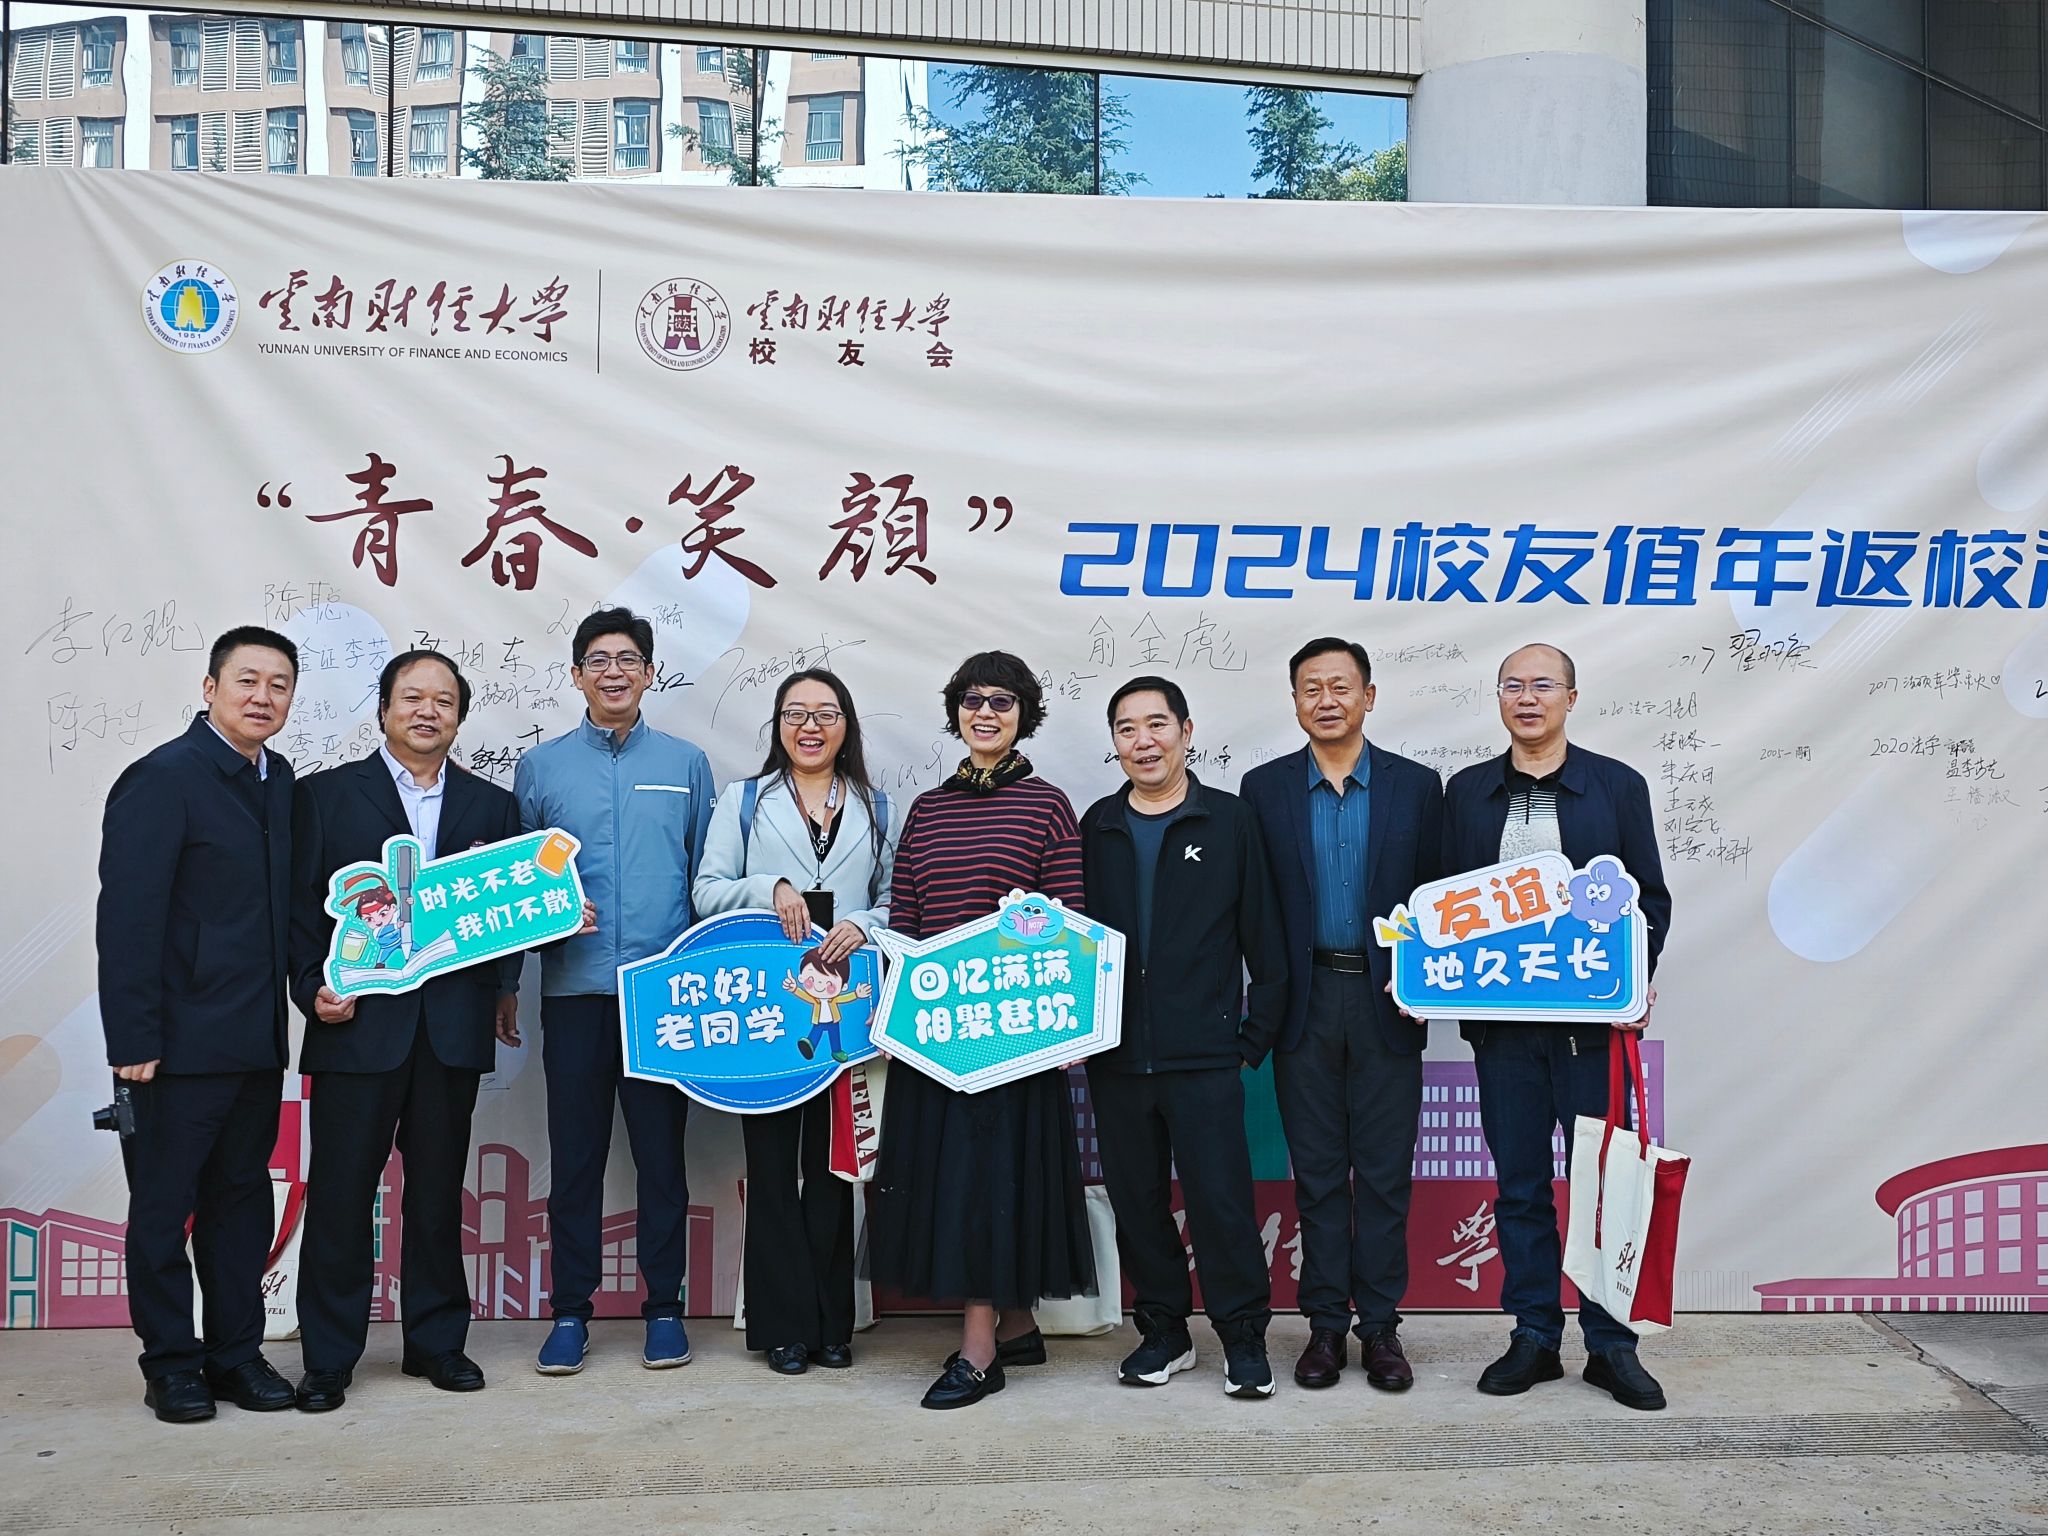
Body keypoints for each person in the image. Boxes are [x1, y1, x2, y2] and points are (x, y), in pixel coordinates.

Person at [286, 650, 521, 1411]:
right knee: (341, 1196)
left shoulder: (492, 807)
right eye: (412, 698)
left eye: (443, 701)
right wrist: (309, 989)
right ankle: (328, 1357)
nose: (428, 712)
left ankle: (436, 1343)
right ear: (384, 709)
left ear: (459, 717)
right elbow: (298, 911)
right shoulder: (323, 796)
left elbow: (506, 918)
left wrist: (519, 970)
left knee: (437, 1196)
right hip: (356, 1028)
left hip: (450, 1029)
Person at [1442, 642, 1673, 1412]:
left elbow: (1650, 901)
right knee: (1520, 1187)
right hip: (1503, 1031)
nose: (1527, 697)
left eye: (1543, 684)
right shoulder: (1468, 792)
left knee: (1604, 1188)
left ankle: (1611, 1346)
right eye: (1512, 685)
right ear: (1498, 699)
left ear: (1571, 698)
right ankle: (1534, 1336)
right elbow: (1443, 902)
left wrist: (1631, 979)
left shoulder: (1616, 786)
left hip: (1591, 1035)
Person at [869, 652, 1096, 1410]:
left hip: (1013, 1036)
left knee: (989, 1183)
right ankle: (1019, 1326)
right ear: (956, 713)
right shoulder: (927, 809)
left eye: (1002, 700)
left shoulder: (1049, 806)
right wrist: (902, 1015)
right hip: (934, 1033)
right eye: (972, 700)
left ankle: (978, 1352)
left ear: (1024, 715)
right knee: (959, 1183)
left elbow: (1067, 925)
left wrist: (1053, 1029)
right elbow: (905, 920)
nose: (986, 712)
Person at [96, 626, 301, 1423]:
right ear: (210, 688)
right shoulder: (162, 779)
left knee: (240, 1207)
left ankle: (235, 1355)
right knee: (161, 1210)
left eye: (279, 684)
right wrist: (133, 1040)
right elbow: (128, 919)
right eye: (247, 680)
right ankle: (171, 1365)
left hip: (254, 1042)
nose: (263, 697)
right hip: (173, 1049)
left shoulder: (278, 780)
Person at [515, 607, 715, 1376]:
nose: (614, 672)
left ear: (650, 672)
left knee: (663, 1161)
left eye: (628, 659)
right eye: (598, 660)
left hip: (662, 996)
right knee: (576, 1160)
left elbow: (703, 878)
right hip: (574, 993)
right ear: (576, 675)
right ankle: (570, 1312)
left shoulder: (686, 763)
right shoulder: (541, 768)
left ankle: (664, 1308)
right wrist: (545, 924)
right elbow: (519, 890)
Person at [1240, 638, 1444, 1393]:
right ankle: (1325, 1326)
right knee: (1319, 1176)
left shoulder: (1417, 788)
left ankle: (1381, 1327)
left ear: (1369, 696)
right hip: (1305, 1001)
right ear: (1295, 702)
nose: (1325, 700)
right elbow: (1254, 906)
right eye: (1310, 688)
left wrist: (1426, 987)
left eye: (1340, 686)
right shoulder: (1263, 789)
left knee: (1385, 1175)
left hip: (1390, 1002)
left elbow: (1442, 897)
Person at [1078, 676, 1289, 1398]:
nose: (1144, 741)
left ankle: (1243, 1338)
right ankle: (1164, 1333)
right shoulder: (1097, 825)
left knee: (1220, 1202)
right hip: (1115, 1057)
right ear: (1115, 743)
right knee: (1138, 1203)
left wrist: (1249, 1041)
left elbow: (1265, 940)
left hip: (1205, 1056)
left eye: (1157, 724)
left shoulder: (1229, 820)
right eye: (1127, 729)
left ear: (1187, 732)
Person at [691, 669, 901, 1375]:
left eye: (826, 713)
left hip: (847, 1015)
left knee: (834, 1169)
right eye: (796, 713)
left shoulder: (877, 805)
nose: (810, 726)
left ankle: (832, 1323)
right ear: (778, 724)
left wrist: (864, 925)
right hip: (766, 1014)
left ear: (847, 726)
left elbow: (897, 900)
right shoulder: (745, 800)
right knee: (773, 1169)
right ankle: (783, 1327)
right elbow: (706, 891)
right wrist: (771, 888)